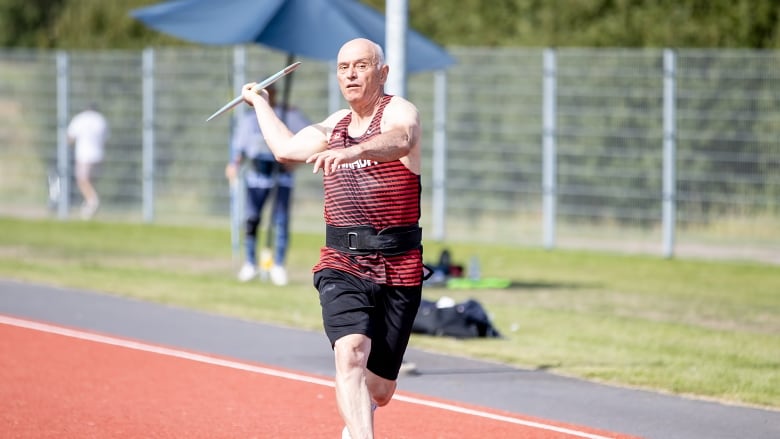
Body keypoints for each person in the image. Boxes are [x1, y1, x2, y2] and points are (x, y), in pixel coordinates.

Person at [241, 38, 423, 439]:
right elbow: (286, 149)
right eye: (343, 67)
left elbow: (402, 139)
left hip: (399, 263)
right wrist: (261, 104)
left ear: (382, 72)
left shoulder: (397, 111)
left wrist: (352, 151)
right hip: (342, 260)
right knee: (351, 352)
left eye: (361, 66)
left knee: (380, 389)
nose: (351, 74)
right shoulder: (334, 125)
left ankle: (355, 422)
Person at [226, 85, 310, 286]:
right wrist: (234, 164)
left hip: (281, 174)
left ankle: (278, 265)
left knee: (280, 219)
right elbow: (239, 148)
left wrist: (296, 162)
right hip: (257, 174)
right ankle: (250, 262)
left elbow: (310, 140)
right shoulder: (248, 120)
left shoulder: (289, 114)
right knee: (252, 218)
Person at [67, 103, 109, 220]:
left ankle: (92, 201)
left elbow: (70, 138)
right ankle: (89, 208)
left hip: (84, 155)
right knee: (92, 182)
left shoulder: (80, 118)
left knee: (82, 181)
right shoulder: (101, 119)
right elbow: (105, 139)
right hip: (99, 155)